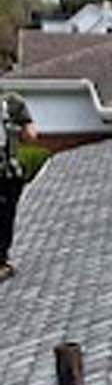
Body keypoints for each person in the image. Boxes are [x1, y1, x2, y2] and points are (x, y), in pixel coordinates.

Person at [0, 91, 37, 282]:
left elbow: (30, 135)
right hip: (8, 173)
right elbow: (31, 135)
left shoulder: (12, 103)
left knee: (5, 214)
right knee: (5, 215)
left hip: (8, 174)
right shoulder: (13, 103)